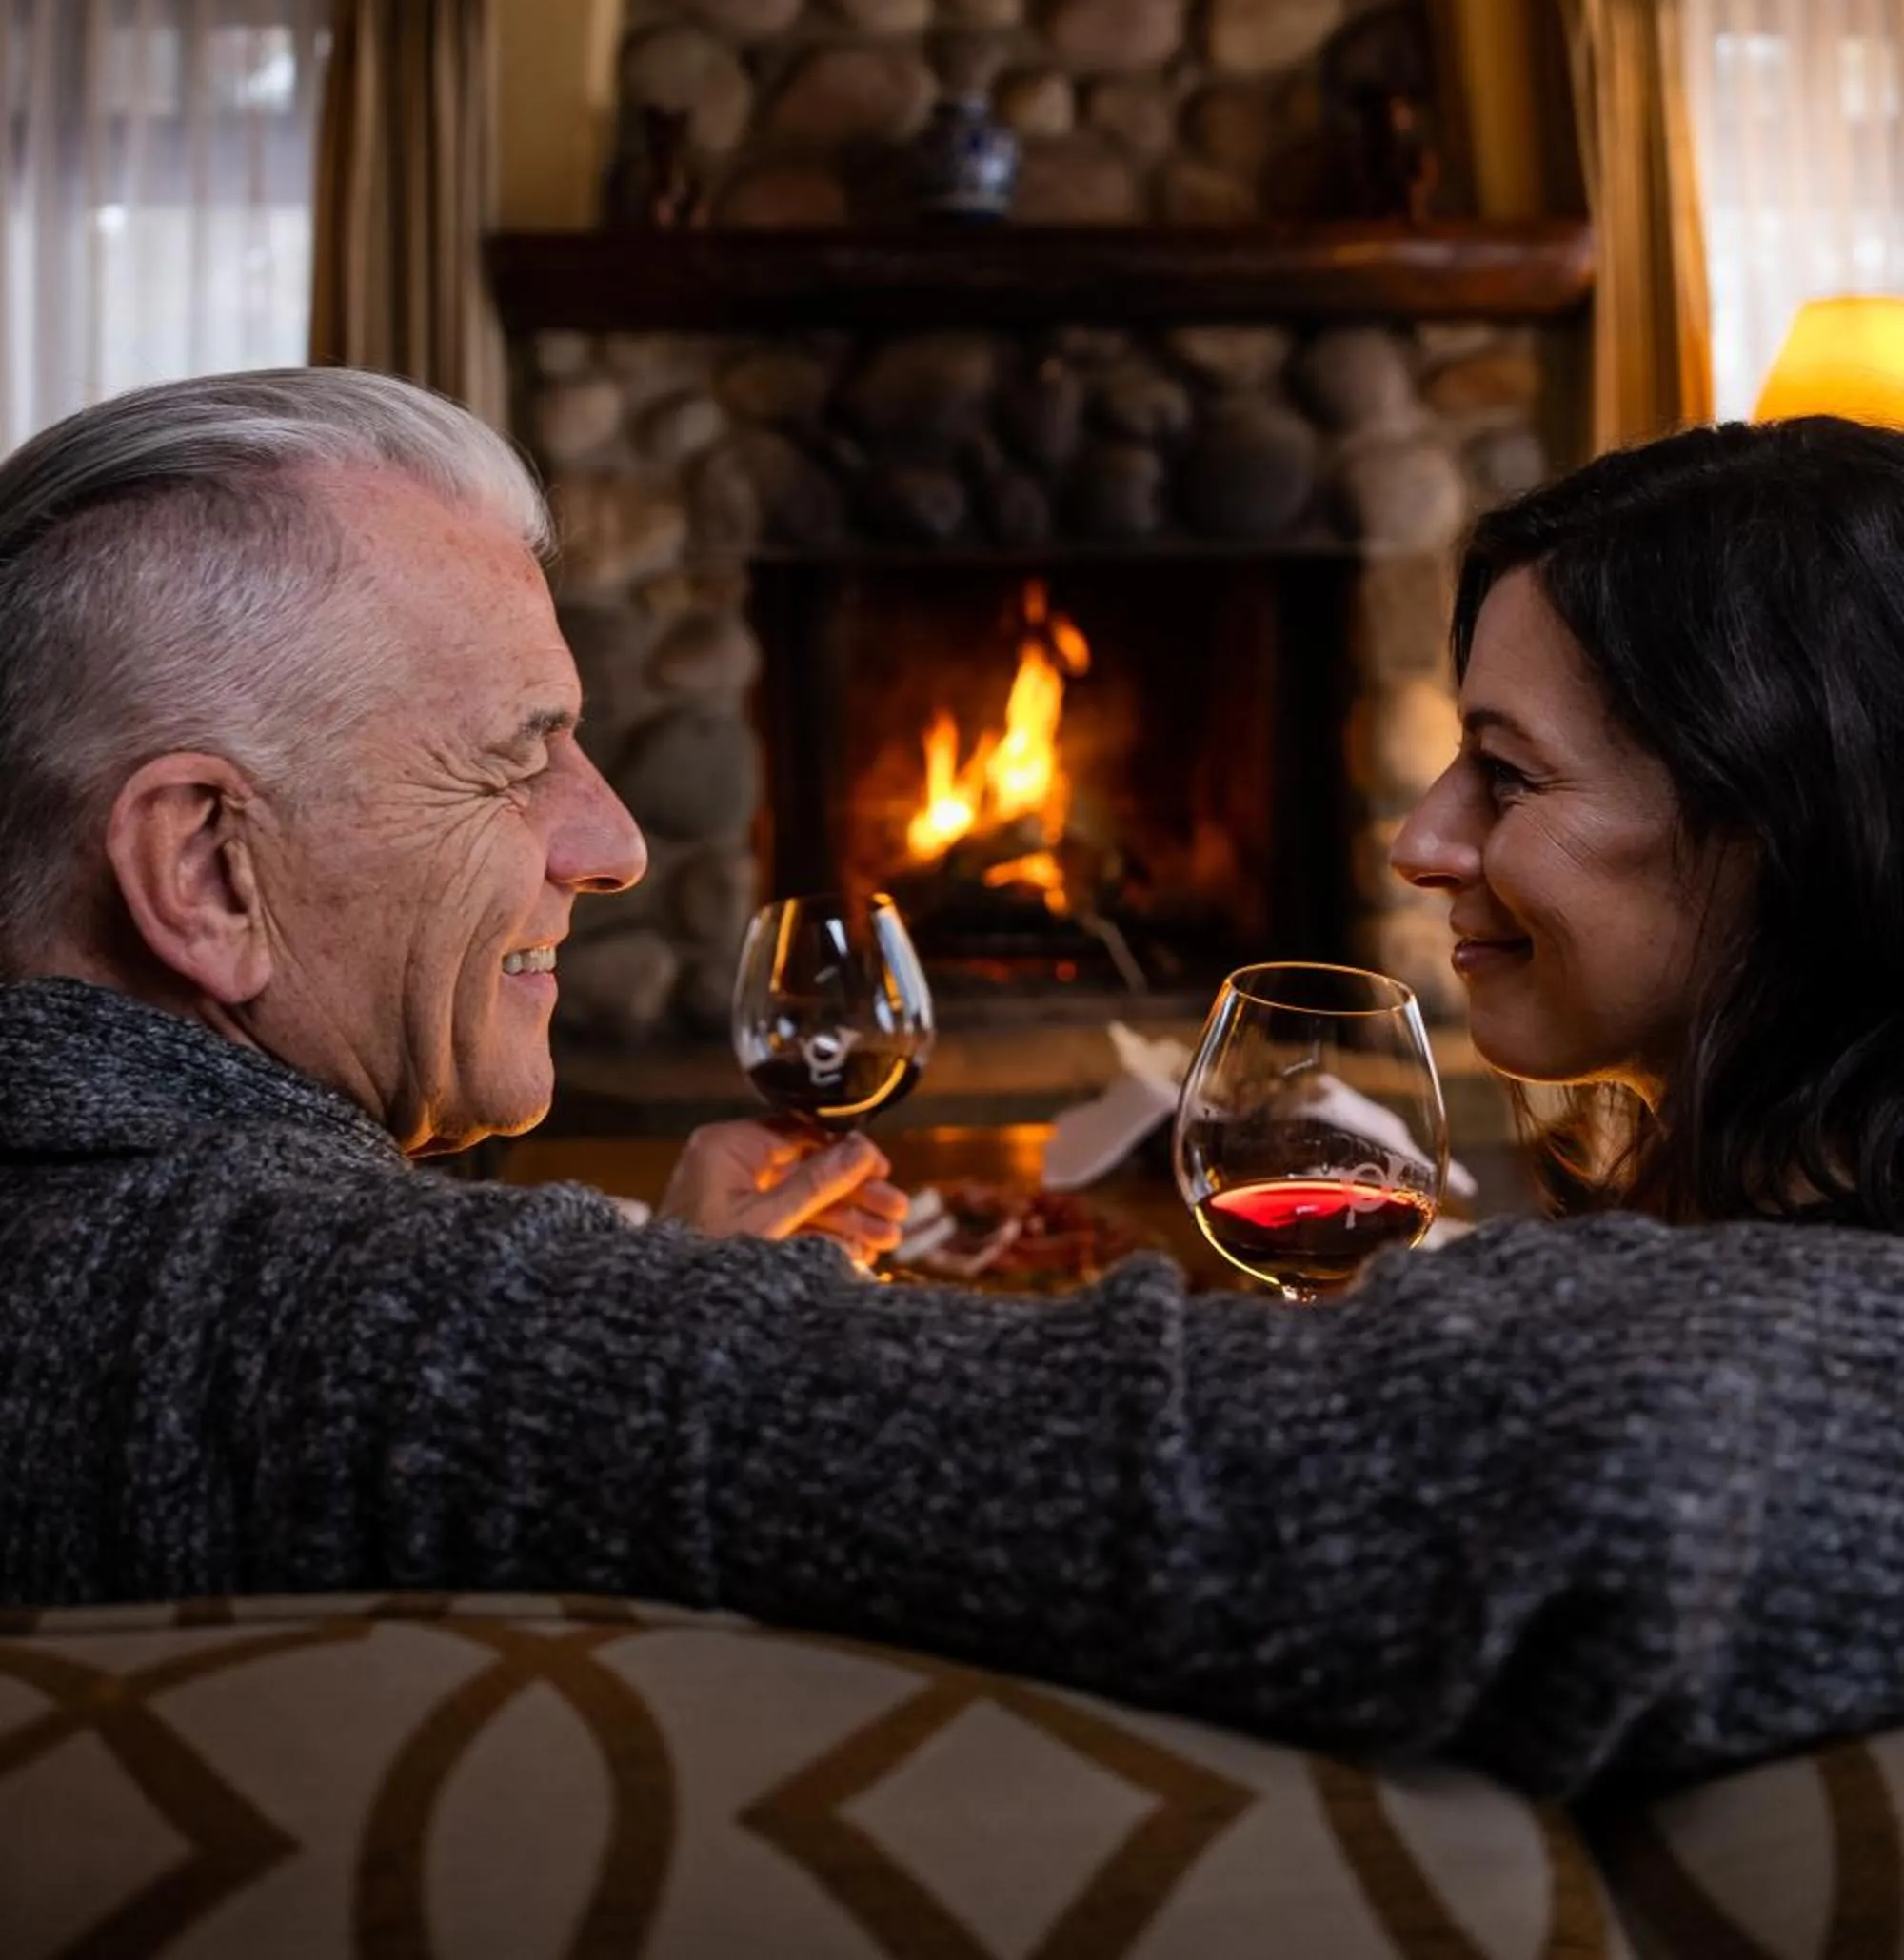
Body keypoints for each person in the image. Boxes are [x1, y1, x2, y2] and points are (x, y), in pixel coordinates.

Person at [8, 384, 1904, 1806]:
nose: (613, 843)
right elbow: (1566, 1468)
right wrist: (635, 1330)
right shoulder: (251, 1303)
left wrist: (655, 1308)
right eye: (518, 765)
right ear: (203, 870)